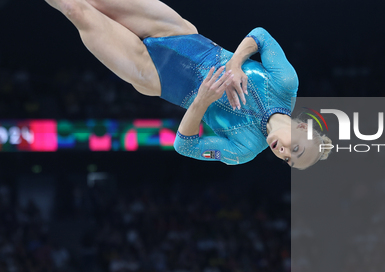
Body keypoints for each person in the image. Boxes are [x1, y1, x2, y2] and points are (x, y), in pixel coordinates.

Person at [44, 0, 331, 168]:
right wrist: (234, 64)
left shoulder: (242, 150)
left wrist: (202, 100)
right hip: (177, 33)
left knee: (77, 10)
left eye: (289, 161)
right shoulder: (285, 84)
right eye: (296, 149)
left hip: (153, 74)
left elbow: (185, 145)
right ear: (302, 127)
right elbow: (261, 36)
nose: (283, 154)